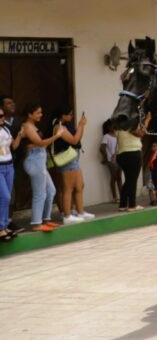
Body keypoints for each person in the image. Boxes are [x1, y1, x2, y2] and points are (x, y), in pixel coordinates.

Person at [20, 103, 64, 231]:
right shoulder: (27, 126)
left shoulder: (33, 126)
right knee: (40, 193)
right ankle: (36, 223)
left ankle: (45, 219)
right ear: (30, 114)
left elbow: (40, 144)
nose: (41, 115)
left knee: (51, 191)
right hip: (34, 160)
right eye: (38, 113)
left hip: (40, 159)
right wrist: (57, 135)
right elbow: (39, 143)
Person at [52, 107, 92, 223]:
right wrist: (81, 125)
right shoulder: (59, 127)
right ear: (62, 115)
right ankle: (67, 215)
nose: (71, 116)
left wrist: (81, 126)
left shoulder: (67, 125)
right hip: (67, 159)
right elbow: (74, 140)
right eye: (69, 114)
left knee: (79, 186)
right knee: (68, 188)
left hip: (73, 158)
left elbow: (78, 138)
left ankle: (80, 212)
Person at [0, 101, 25, 241]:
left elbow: (13, 146)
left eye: (3, 116)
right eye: (0, 116)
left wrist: (20, 135)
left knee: (6, 198)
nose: (3, 118)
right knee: (4, 197)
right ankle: (1, 227)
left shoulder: (6, 130)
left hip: (9, 166)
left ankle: (4, 227)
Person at [116, 112, 144, 211]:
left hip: (122, 155)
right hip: (133, 154)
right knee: (132, 181)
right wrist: (148, 120)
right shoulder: (129, 126)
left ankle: (123, 205)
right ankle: (132, 205)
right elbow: (141, 133)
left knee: (128, 180)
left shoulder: (119, 128)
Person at [100, 119, 121, 203]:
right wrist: (106, 157)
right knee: (115, 177)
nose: (114, 126)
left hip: (120, 158)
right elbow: (102, 148)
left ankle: (121, 196)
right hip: (111, 160)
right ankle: (115, 197)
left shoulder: (118, 135)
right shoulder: (106, 136)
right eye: (112, 125)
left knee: (118, 177)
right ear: (108, 127)